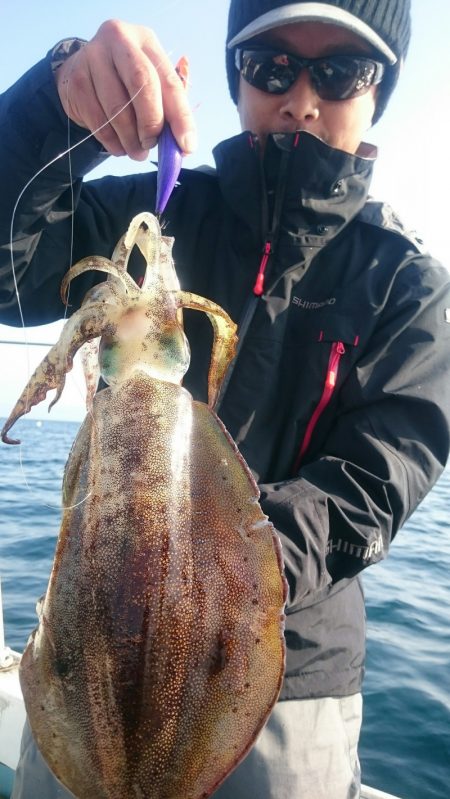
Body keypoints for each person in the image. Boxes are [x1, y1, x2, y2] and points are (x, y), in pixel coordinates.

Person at [1, 1, 450, 797]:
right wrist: (52, 107)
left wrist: (204, 573)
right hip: (89, 652)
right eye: (273, 66)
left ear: (381, 91)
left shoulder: (409, 286)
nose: (302, 98)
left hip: (288, 686)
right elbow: (10, 268)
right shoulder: (163, 212)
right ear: (237, 77)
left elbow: (374, 486)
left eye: (342, 70)